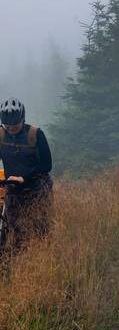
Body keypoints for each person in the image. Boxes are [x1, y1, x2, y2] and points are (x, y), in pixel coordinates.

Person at [0, 97, 53, 250]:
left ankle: (43, 262)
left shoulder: (36, 134)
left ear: (23, 119)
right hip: (13, 191)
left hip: (38, 191)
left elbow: (46, 164)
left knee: (42, 233)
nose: (10, 128)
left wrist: (23, 178)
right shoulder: (1, 135)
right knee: (16, 234)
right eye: (7, 125)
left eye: (14, 125)